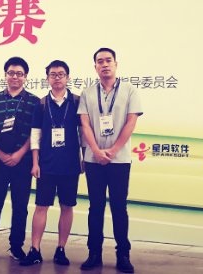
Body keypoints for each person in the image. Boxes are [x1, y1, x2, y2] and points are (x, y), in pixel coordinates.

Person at [78, 48, 143, 273]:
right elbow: (85, 124)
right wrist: (96, 151)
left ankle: (123, 254)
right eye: (100, 61)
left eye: (108, 60)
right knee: (95, 207)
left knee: (119, 207)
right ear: (95, 66)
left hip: (120, 160)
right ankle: (94, 253)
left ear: (116, 64)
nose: (104, 64)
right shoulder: (87, 93)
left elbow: (131, 122)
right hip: (93, 159)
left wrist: (113, 150)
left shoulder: (130, 91)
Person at [0, 57, 40, 261]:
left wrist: (20, 154)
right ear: (5, 75)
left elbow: (35, 132)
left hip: (23, 161)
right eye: (11, 73)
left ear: (25, 77)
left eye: (19, 74)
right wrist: (0, 153)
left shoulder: (34, 101)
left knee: (20, 206)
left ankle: (16, 246)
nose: (15, 77)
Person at [20, 60, 82, 267]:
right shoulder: (41, 104)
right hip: (46, 164)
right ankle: (35, 249)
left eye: (61, 74)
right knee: (41, 206)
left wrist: (83, 159)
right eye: (53, 74)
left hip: (70, 165)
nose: (57, 78)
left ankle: (61, 248)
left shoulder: (77, 102)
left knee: (67, 206)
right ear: (47, 78)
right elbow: (35, 135)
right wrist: (35, 162)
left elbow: (83, 133)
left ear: (68, 77)